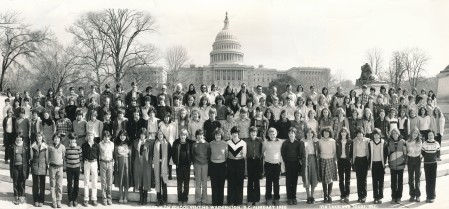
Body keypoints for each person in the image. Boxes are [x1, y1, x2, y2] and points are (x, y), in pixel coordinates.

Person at [131, 128, 154, 205]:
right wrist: (133, 162)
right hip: (138, 163)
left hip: (146, 163)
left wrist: (151, 163)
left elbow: (151, 154)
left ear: (145, 135)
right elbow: (133, 154)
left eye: (144, 134)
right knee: (139, 180)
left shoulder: (149, 143)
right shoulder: (135, 142)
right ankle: (141, 198)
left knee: (146, 180)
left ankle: (145, 198)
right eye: (141, 134)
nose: (142, 136)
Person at [172, 129, 193, 206]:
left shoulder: (189, 143)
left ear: (186, 135)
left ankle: (185, 199)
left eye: (184, 135)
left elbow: (192, 153)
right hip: (179, 166)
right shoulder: (176, 143)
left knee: (186, 184)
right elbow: (173, 153)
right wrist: (175, 162)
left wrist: (191, 161)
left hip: (187, 166)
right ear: (179, 136)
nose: (183, 136)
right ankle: (180, 199)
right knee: (179, 184)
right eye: (181, 135)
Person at [385, 128, 407, 204]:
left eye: (396, 133)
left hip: (401, 165)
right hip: (393, 165)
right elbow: (387, 153)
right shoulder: (389, 142)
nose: (394, 135)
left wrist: (405, 161)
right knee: (393, 182)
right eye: (393, 133)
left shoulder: (403, 142)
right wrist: (388, 162)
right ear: (391, 135)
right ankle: (393, 197)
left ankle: (399, 197)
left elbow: (405, 153)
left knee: (400, 182)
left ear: (398, 134)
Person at [227, 126, 247, 206]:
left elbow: (244, 154)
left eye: (236, 133)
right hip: (230, 162)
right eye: (233, 133)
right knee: (231, 182)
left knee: (239, 182)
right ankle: (230, 201)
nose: (235, 134)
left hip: (240, 163)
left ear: (238, 133)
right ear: (231, 134)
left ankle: (238, 201)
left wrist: (238, 158)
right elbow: (226, 154)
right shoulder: (228, 142)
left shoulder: (243, 143)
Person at [263, 127, 283, 206]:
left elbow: (282, 152)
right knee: (268, 182)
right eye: (270, 134)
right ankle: (268, 199)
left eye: (273, 134)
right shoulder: (266, 142)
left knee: (276, 183)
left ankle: (276, 199)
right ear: (268, 135)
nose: (272, 135)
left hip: (277, 165)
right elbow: (262, 152)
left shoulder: (280, 142)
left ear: (276, 134)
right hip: (268, 164)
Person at [9, 132, 30, 205]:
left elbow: (28, 158)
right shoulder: (12, 146)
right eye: (17, 138)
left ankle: (22, 196)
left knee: (22, 182)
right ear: (15, 139)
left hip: (22, 166)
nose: (18, 139)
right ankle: (16, 197)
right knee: (15, 182)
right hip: (15, 166)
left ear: (22, 139)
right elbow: (10, 157)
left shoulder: (25, 147)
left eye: (20, 138)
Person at [281, 127, 301, 205]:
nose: (291, 135)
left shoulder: (298, 143)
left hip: (295, 163)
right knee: (288, 181)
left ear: (295, 134)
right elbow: (283, 153)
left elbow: (299, 153)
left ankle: (294, 197)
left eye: (292, 133)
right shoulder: (285, 143)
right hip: (288, 163)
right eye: (289, 133)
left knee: (294, 181)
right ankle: (289, 198)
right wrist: (286, 162)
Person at [318, 127, 337, 203]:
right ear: (323, 133)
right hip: (322, 160)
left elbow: (335, 152)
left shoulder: (332, 141)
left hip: (330, 160)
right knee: (324, 179)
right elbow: (319, 151)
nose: (326, 133)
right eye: (325, 132)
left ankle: (329, 195)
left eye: (328, 132)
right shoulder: (320, 141)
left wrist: (335, 161)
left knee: (330, 178)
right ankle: (325, 195)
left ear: (330, 133)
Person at [210, 128, 228, 206]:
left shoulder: (225, 144)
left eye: (219, 135)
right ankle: (215, 203)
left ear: (221, 135)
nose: (218, 136)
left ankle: (220, 204)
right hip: (213, 165)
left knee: (221, 185)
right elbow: (209, 154)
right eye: (216, 135)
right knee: (214, 185)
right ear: (214, 135)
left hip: (222, 166)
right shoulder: (211, 143)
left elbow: (226, 155)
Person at [153, 130, 172, 206]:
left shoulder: (167, 143)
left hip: (165, 165)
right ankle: (158, 199)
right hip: (157, 165)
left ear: (163, 135)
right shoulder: (155, 143)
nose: (160, 135)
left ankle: (165, 199)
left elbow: (170, 155)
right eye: (158, 134)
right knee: (158, 182)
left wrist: (168, 167)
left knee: (164, 183)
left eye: (161, 134)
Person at [192, 129, 210, 206]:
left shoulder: (207, 144)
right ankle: (198, 200)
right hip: (197, 164)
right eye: (198, 135)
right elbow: (193, 155)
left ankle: (204, 200)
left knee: (205, 183)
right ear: (196, 136)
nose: (200, 136)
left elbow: (209, 155)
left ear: (203, 136)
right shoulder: (194, 144)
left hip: (205, 164)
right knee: (198, 183)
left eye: (201, 135)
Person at [245, 126, 263, 206]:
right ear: (250, 133)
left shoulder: (260, 140)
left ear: (256, 133)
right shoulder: (246, 141)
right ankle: (250, 199)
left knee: (256, 181)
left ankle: (256, 199)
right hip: (249, 161)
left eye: (255, 132)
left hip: (257, 161)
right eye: (252, 132)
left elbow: (262, 151)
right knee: (250, 181)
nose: (253, 133)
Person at [82, 131, 100, 207]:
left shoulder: (97, 145)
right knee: (86, 181)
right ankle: (86, 199)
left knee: (94, 181)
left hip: (94, 163)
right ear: (87, 136)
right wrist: (83, 165)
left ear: (94, 136)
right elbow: (82, 155)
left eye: (91, 135)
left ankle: (94, 198)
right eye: (89, 135)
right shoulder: (84, 145)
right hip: (86, 163)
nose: (90, 136)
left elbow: (98, 156)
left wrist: (98, 166)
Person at [369, 128, 386, 204]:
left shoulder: (383, 142)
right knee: (375, 181)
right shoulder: (370, 143)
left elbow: (385, 154)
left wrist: (385, 163)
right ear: (373, 135)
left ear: (380, 135)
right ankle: (375, 197)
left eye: (378, 134)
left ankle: (380, 197)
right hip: (374, 163)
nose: (376, 136)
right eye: (375, 134)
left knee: (381, 181)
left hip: (381, 164)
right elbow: (369, 154)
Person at [113, 130, 132, 204]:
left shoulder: (129, 144)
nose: (122, 137)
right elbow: (114, 154)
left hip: (127, 162)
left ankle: (126, 196)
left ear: (126, 136)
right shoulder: (116, 143)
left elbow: (131, 154)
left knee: (126, 179)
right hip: (119, 162)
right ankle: (121, 196)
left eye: (124, 135)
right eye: (121, 135)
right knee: (120, 179)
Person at [352, 127, 370, 203]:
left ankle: (364, 196)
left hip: (365, 160)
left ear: (363, 134)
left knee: (364, 179)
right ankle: (359, 196)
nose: (359, 135)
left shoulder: (367, 141)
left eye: (361, 133)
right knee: (359, 179)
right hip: (357, 160)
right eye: (358, 133)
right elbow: (353, 152)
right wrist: (353, 162)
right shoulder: (354, 141)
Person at [48, 134, 66, 208]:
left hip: (60, 168)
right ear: (53, 139)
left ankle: (59, 200)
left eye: (58, 138)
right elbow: (48, 156)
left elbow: (64, 157)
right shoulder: (50, 147)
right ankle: (54, 201)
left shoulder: (62, 147)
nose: (56, 140)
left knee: (59, 185)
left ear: (60, 139)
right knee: (53, 185)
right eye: (55, 138)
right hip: (52, 167)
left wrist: (63, 167)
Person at [30, 132, 48, 207]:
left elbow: (47, 158)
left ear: (42, 138)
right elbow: (31, 158)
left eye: (40, 137)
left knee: (42, 185)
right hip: (35, 167)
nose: (39, 138)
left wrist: (46, 166)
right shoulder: (33, 146)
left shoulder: (45, 147)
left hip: (43, 167)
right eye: (37, 137)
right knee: (35, 185)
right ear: (36, 138)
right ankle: (36, 200)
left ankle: (41, 200)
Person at [422, 131, 440, 203]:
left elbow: (438, 152)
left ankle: (432, 196)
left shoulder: (436, 143)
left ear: (434, 135)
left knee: (433, 180)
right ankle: (428, 196)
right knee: (428, 180)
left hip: (433, 164)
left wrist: (434, 158)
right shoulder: (425, 143)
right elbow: (423, 153)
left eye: (431, 135)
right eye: (429, 135)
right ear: (427, 136)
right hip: (426, 163)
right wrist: (427, 158)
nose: (430, 136)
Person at [158, 112, 177, 179]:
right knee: (163, 158)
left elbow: (174, 134)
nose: (166, 119)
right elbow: (160, 134)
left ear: (169, 118)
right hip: (163, 143)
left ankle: (170, 174)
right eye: (165, 117)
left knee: (170, 159)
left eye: (167, 117)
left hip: (170, 143)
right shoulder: (161, 125)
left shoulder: (173, 125)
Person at [65, 132, 82, 207]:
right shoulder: (66, 148)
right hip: (69, 168)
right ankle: (70, 200)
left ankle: (75, 199)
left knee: (76, 183)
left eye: (74, 141)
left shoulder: (79, 148)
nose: (72, 142)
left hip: (77, 168)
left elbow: (81, 158)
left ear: (76, 140)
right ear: (69, 140)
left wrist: (80, 167)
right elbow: (65, 158)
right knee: (69, 184)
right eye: (71, 141)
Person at [336, 127, 352, 203]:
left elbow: (352, 151)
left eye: (344, 132)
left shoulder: (350, 141)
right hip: (340, 161)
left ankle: (347, 195)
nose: (343, 133)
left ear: (347, 133)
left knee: (347, 179)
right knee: (341, 179)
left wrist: (351, 159)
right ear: (340, 133)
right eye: (342, 132)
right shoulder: (338, 141)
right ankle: (342, 195)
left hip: (347, 161)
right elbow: (336, 151)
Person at [406, 128, 422, 202]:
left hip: (417, 159)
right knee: (410, 178)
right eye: (413, 133)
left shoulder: (420, 141)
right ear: (411, 134)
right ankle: (412, 195)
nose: (415, 134)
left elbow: (420, 151)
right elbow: (406, 151)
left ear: (418, 134)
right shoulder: (407, 142)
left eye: (416, 133)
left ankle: (418, 195)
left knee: (417, 178)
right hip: (410, 159)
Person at [99, 131, 115, 205]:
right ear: (103, 137)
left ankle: (109, 197)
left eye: (108, 136)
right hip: (103, 163)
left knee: (109, 182)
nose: (106, 138)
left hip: (110, 163)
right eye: (105, 136)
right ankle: (104, 198)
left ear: (110, 137)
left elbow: (112, 152)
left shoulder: (112, 144)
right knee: (103, 182)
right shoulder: (100, 144)